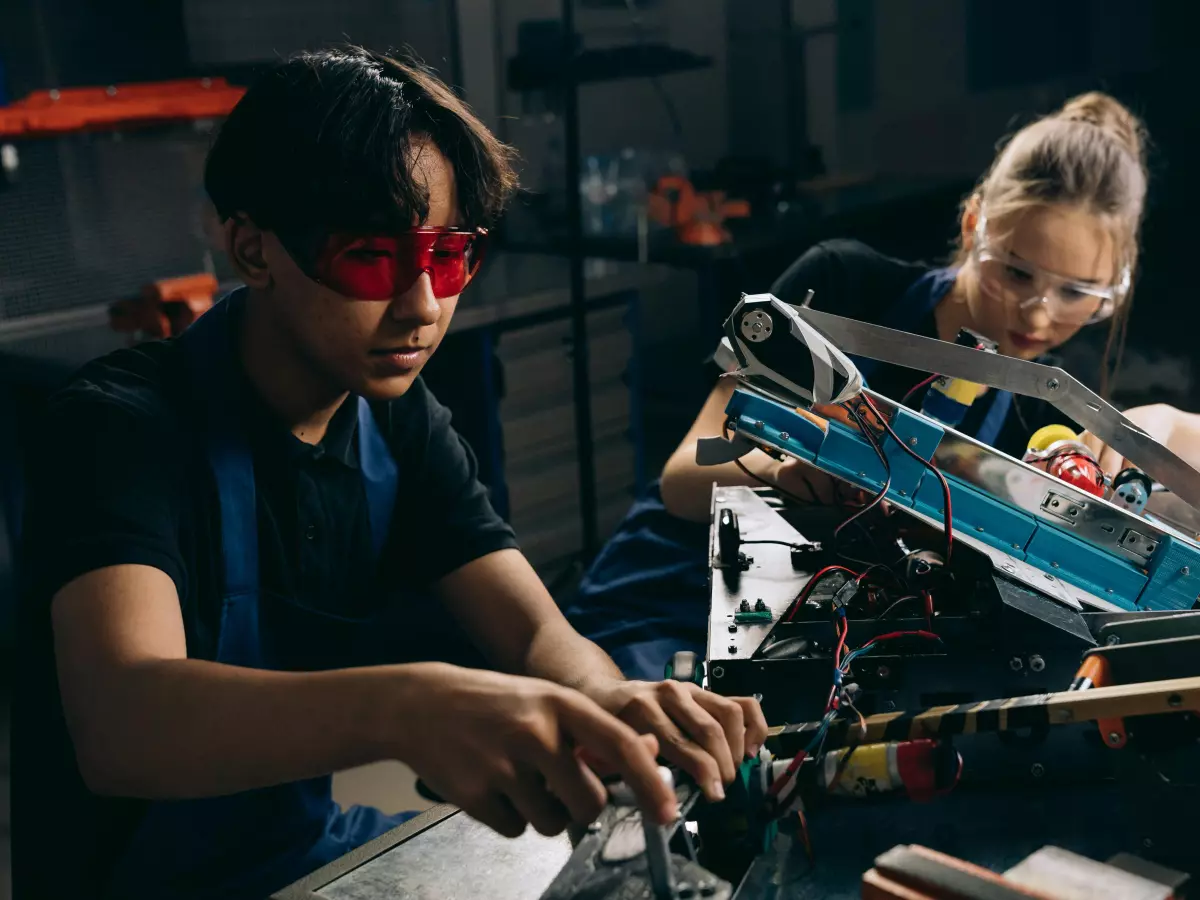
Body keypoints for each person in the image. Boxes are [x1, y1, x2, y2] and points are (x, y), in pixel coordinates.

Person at [11, 48, 767, 900]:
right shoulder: (121, 428)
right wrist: (410, 707)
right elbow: (124, 720)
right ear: (253, 250)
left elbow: (531, 636)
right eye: (372, 258)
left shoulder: (393, 421)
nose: (423, 306)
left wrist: (615, 702)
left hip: (309, 855)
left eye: (449, 258)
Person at [565, 91, 1150, 680]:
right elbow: (683, 480)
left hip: (817, 655)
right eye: (1017, 273)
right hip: (664, 607)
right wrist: (784, 474)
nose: (1039, 314)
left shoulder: (1038, 416)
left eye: (1077, 293)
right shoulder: (841, 287)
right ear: (975, 225)